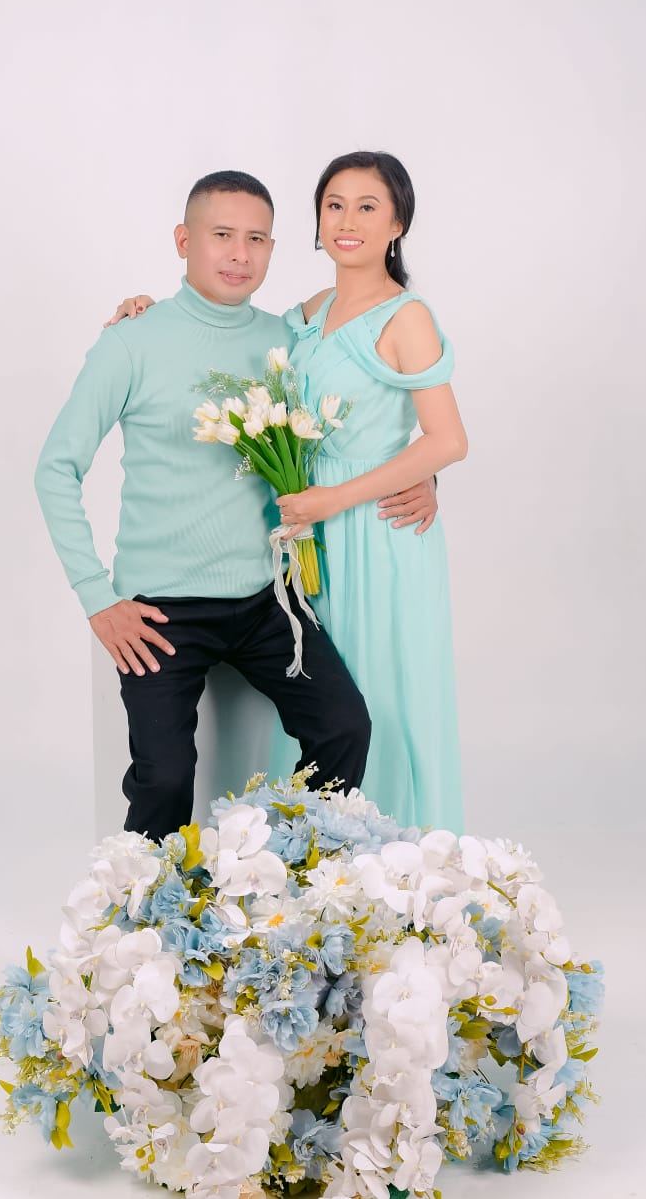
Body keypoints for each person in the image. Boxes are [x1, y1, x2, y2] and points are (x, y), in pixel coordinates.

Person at [108, 152, 468, 832]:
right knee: (323, 709)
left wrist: (397, 483)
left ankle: (390, 856)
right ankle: (303, 860)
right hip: (300, 537)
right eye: (335, 205)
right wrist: (148, 313)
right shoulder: (304, 315)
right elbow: (226, 334)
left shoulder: (407, 316)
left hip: (374, 533)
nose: (348, 221)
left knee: (381, 702)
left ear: (398, 223)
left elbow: (447, 438)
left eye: (368, 206)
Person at [35, 170, 371, 843]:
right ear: (184, 241)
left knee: (344, 726)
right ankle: (142, 901)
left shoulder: (286, 340)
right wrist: (98, 598)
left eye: (257, 239)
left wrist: (425, 480)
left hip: (267, 598)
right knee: (164, 778)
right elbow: (56, 469)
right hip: (163, 608)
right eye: (222, 235)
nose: (240, 254)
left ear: (272, 248)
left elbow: (360, 429)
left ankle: (296, 872)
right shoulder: (131, 340)